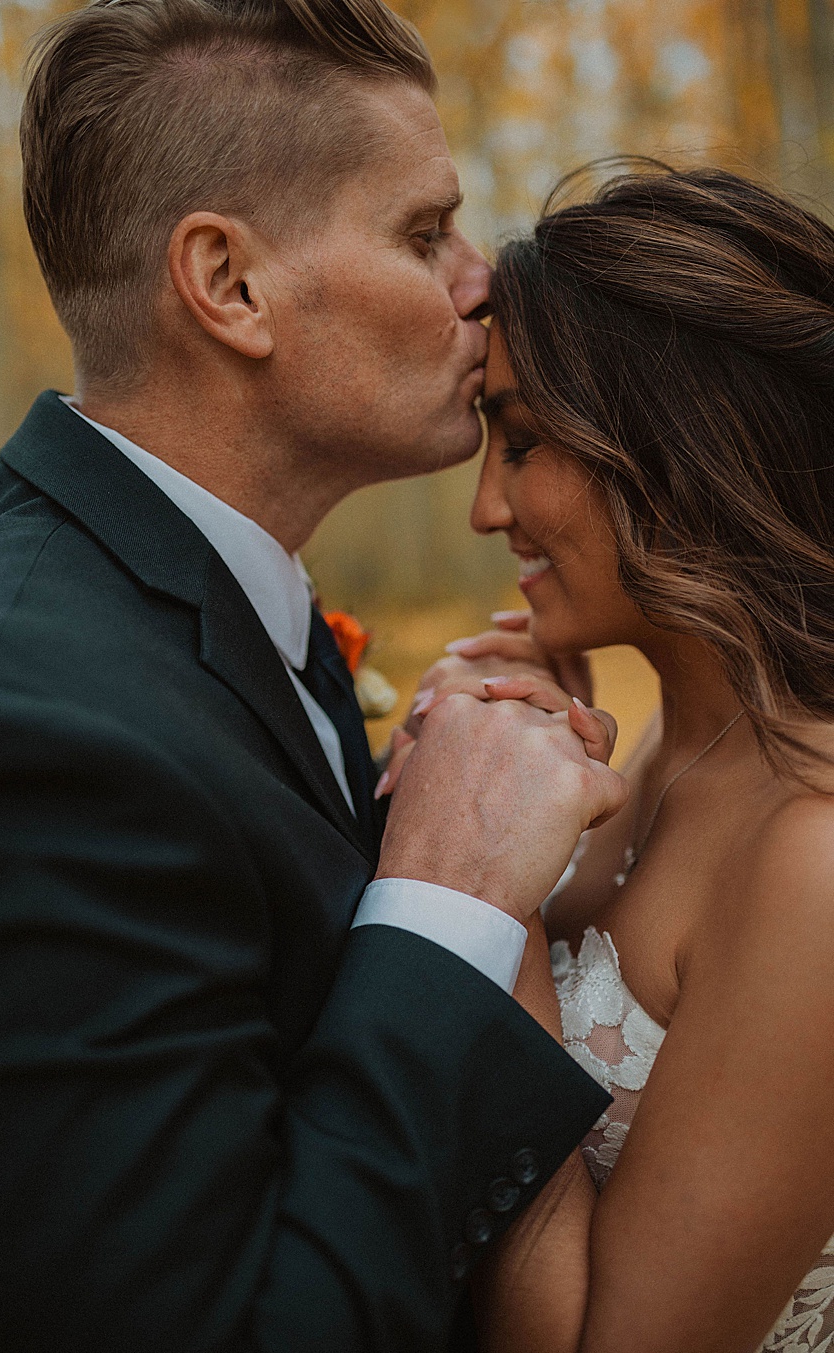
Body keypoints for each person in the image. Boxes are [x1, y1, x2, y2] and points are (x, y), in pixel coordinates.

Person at [0, 1, 626, 1348]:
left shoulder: (204, 596)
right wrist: (450, 896)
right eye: (422, 233)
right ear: (229, 283)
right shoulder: (29, 720)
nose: (481, 280)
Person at [394, 164, 834, 1353]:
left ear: (681, 443)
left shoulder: (813, 855)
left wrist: (493, 899)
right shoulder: (670, 753)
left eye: (525, 439)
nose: (489, 509)